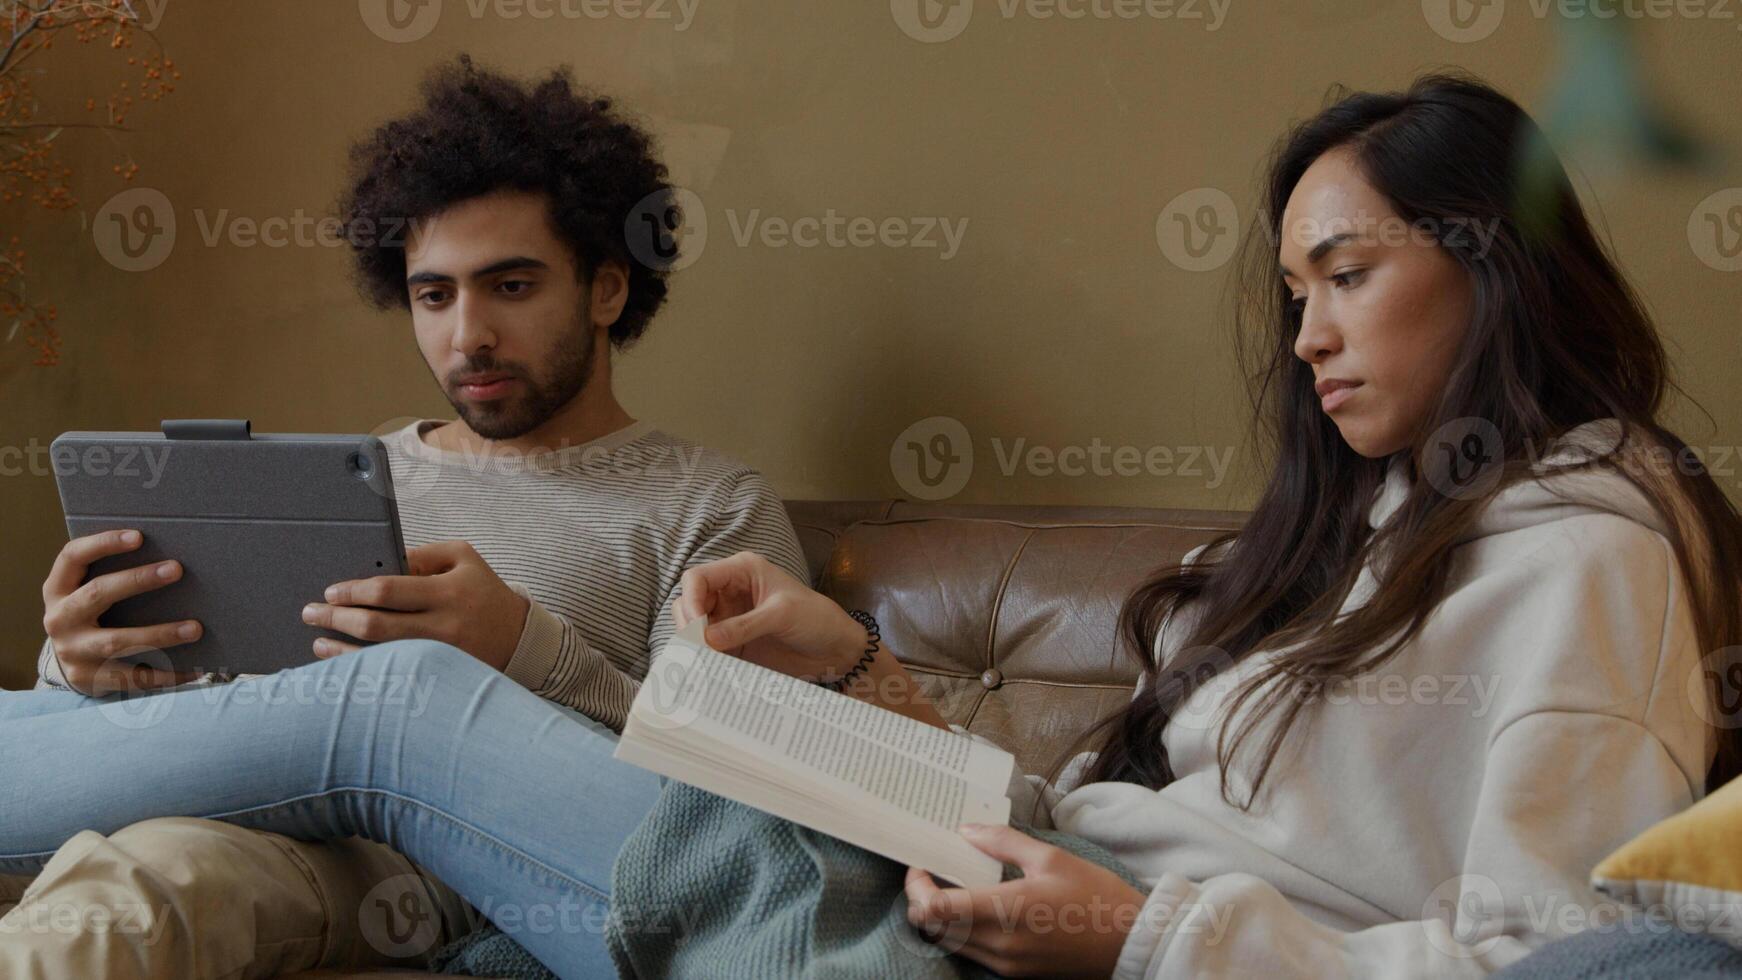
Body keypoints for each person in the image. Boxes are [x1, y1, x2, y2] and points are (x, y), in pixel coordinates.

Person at [6, 70, 1741, 979]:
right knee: (222, 820)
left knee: (391, 715)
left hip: (994, 944)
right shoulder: (1372, 537)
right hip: (979, 879)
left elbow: (1573, 966)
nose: (1301, 335)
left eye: (1344, 275)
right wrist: (858, 677)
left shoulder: (1585, 538)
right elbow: (1107, 821)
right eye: (1290, 286)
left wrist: (1143, 942)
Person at [0, 56, 805, 978]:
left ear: (608, 288)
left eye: (511, 286)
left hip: (435, 867)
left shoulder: (709, 506)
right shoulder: (353, 477)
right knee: (107, 881)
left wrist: (523, 648)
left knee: (160, 881)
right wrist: (77, 666)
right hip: (240, 793)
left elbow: (722, 807)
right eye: (434, 295)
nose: (467, 335)